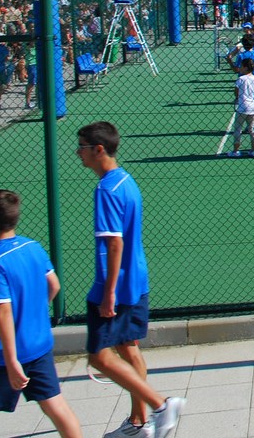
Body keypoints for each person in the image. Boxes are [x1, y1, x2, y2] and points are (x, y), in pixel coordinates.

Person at [76, 121, 186, 438]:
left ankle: (161, 405)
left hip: (116, 287)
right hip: (135, 281)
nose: (78, 153)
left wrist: (109, 292)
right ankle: (138, 424)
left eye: (82, 147)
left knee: (99, 356)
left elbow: (114, 243)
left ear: (99, 149)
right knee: (128, 347)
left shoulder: (106, 190)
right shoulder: (126, 180)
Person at [0, 189, 82, 438]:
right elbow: (54, 285)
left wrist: (11, 361)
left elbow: (3, 312)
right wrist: (33, 317)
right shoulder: (33, 247)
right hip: (38, 346)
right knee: (56, 406)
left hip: (2, 357)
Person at [229, 58, 254, 157]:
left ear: (246, 68)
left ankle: (236, 150)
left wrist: (239, 97)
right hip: (253, 107)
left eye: (241, 66)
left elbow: (236, 92)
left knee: (238, 128)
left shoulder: (241, 79)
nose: (240, 68)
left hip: (243, 107)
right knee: (252, 129)